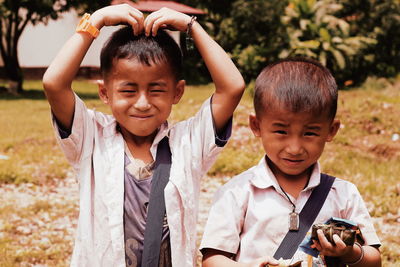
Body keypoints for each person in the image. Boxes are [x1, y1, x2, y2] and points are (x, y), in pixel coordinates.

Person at [42, 4, 245, 267]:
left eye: (156, 89)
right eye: (128, 90)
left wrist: (191, 26)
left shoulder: (188, 143)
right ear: (105, 93)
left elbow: (233, 87)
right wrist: (97, 20)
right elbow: (53, 83)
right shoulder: (91, 138)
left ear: (177, 92)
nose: (142, 103)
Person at [200, 58, 381, 267]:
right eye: (281, 131)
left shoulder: (343, 194)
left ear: (331, 130)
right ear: (256, 125)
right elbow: (212, 260)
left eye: (310, 133)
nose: (294, 148)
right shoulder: (237, 192)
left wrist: (350, 253)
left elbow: (374, 260)